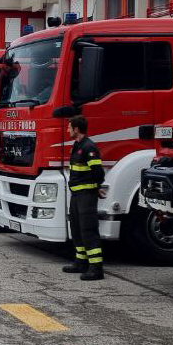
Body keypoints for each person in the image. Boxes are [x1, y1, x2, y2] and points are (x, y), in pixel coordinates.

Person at [62, 115, 106, 281]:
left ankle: (96, 268)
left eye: (69, 127)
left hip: (86, 195)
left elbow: (98, 172)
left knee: (88, 230)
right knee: (77, 228)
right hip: (76, 195)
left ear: (76, 129)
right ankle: (81, 262)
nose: (67, 130)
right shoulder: (77, 146)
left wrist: (96, 187)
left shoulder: (88, 147)